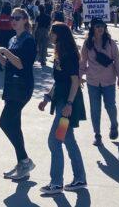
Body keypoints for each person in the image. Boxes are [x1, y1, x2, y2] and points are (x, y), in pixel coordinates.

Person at [38, 23, 87, 194]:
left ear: (59, 35)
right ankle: (80, 178)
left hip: (67, 104)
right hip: (60, 101)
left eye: (52, 33)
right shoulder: (60, 54)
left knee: (54, 141)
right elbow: (59, 81)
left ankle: (57, 183)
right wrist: (47, 97)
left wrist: (69, 105)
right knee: (67, 139)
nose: (50, 35)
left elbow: (75, 81)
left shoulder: (70, 55)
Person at [0, 8, 37, 181]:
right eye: (12, 18)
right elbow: (8, 64)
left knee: (5, 122)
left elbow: (22, 65)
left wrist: (6, 51)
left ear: (25, 20)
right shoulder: (12, 39)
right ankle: (22, 164)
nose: (13, 20)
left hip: (22, 87)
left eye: (17, 18)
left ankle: (25, 160)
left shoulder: (28, 41)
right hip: (11, 86)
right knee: (15, 125)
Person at [80, 18, 119, 147]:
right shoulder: (87, 44)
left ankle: (114, 125)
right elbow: (82, 62)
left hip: (109, 80)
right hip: (92, 81)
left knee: (110, 106)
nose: (100, 29)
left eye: (102, 26)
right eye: (97, 26)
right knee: (95, 109)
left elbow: (117, 60)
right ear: (92, 28)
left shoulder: (110, 43)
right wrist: (79, 76)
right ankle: (97, 134)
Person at [0, 2, 16, 71]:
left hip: (1, 34)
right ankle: (7, 63)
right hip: (10, 35)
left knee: (1, 49)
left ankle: (0, 62)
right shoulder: (11, 18)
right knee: (9, 50)